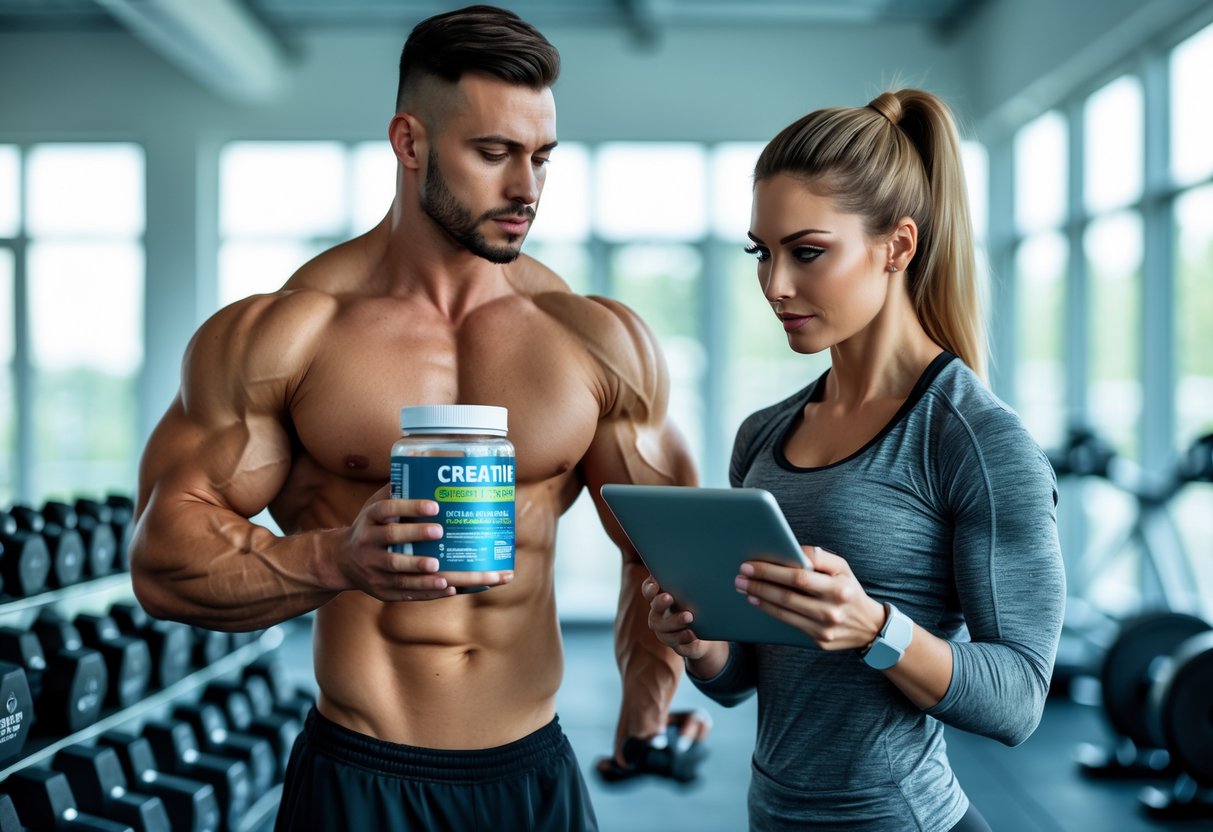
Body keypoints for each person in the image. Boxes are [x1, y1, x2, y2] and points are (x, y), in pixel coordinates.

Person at [129, 6, 705, 831]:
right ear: (409, 142)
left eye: (541, 158)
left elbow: (668, 549)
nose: (526, 190)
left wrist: (646, 708)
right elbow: (161, 560)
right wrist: (336, 557)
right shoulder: (290, 333)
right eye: (493, 153)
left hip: (531, 772)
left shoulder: (593, 339)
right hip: (361, 773)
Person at [644, 88, 1065, 832]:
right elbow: (748, 677)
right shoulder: (763, 434)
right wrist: (702, 644)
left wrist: (876, 628)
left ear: (896, 246)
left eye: (806, 252)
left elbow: (1018, 701)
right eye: (761, 253)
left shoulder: (972, 439)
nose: (775, 285)